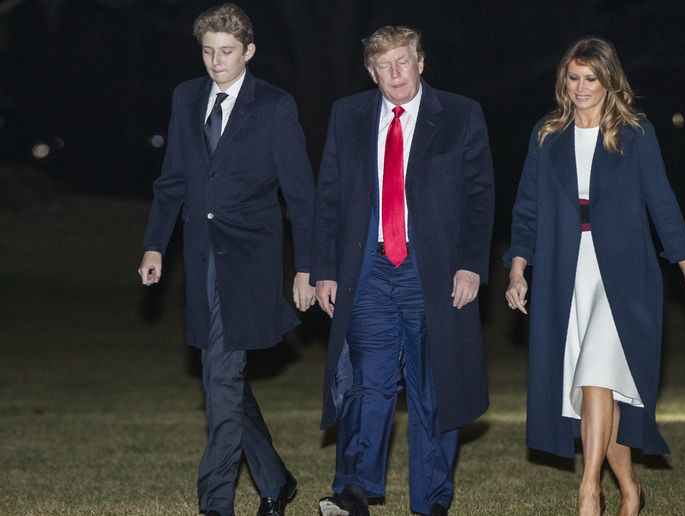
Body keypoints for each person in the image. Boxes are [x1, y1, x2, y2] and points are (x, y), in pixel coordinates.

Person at [504, 37, 685, 516]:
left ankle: (588, 491)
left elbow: (663, 205)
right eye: (573, 78)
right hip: (564, 271)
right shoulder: (547, 133)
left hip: (624, 275)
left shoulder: (635, 132)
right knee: (597, 392)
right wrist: (518, 269)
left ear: (609, 81)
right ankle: (632, 491)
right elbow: (527, 209)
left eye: (590, 79)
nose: (581, 88)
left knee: (597, 374)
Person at [137, 4, 315, 515]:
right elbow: (173, 178)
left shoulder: (276, 106)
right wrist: (154, 244)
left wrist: (306, 265)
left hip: (251, 261)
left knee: (220, 378)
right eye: (208, 52)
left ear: (249, 51)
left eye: (227, 53)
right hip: (200, 258)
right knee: (224, 380)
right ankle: (275, 482)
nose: (215, 63)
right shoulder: (186, 97)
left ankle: (215, 504)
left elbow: (300, 194)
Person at [311, 26, 495, 516]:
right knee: (367, 383)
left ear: (420, 62)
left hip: (430, 271)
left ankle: (431, 501)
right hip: (368, 269)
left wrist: (471, 265)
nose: (394, 73)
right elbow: (328, 197)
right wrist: (324, 269)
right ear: (371, 72)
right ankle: (354, 493)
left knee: (432, 387)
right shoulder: (347, 115)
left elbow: (480, 199)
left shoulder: (459, 115)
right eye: (383, 66)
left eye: (402, 62)